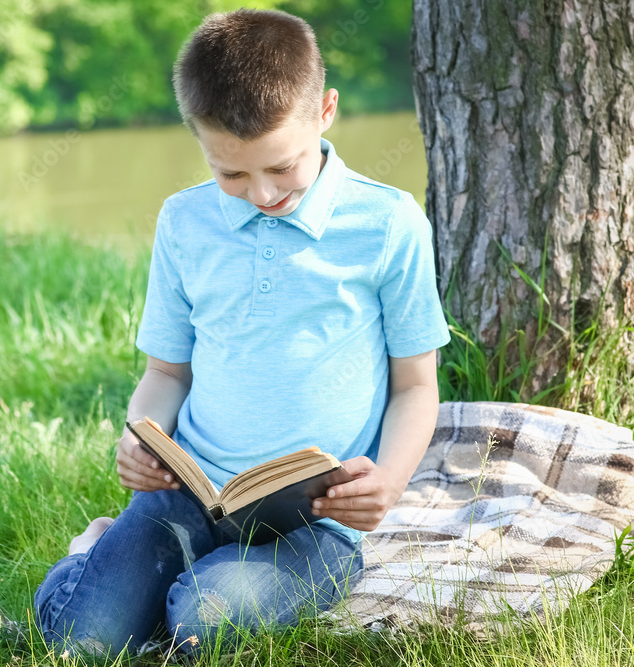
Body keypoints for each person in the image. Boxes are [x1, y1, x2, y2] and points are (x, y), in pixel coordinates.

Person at [33, 7, 451, 658]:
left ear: (326, 111)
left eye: (281, 167)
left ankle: (147, 572)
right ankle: (93, 547)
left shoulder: (389, 224)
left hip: (315, 520)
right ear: (197, 138)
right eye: (231, 174)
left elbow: (416, 385)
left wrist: (388, 483)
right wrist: (139, 436)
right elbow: (166, 375)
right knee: (82, 640)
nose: (260, 192)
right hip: (192, 493)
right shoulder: (184, 222)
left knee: (204, 616)